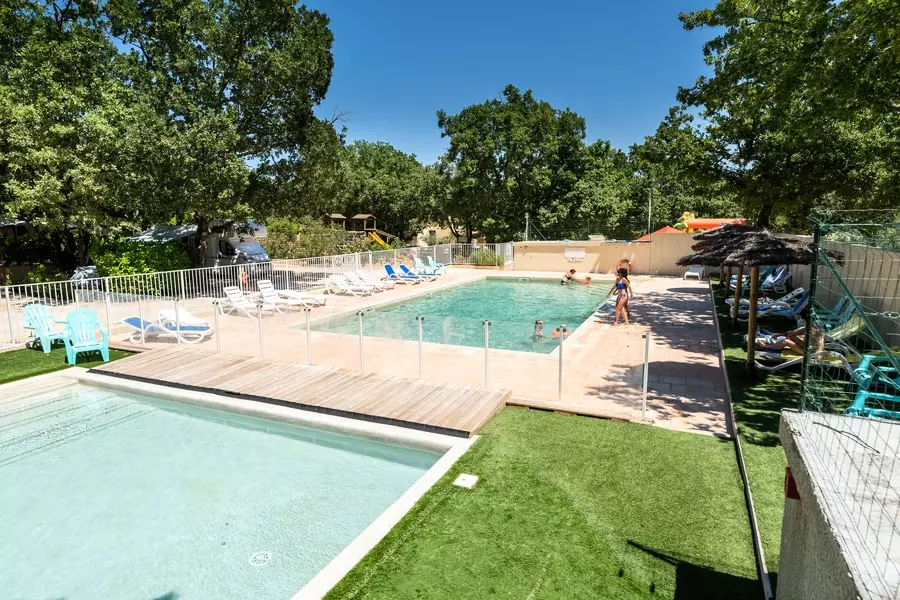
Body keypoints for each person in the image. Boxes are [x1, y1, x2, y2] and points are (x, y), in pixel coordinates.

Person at [756, 320, 823, 354]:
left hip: (811, 352)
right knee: (791, 337)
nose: (802, 322)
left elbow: (807, 346)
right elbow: (792, 333)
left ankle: (765, 346)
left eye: (803, 321)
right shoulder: (810, 327)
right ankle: (771, 343)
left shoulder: (813, 331)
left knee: (786, 342)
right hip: (808, 348)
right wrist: (778, 335)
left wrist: (796, 340)